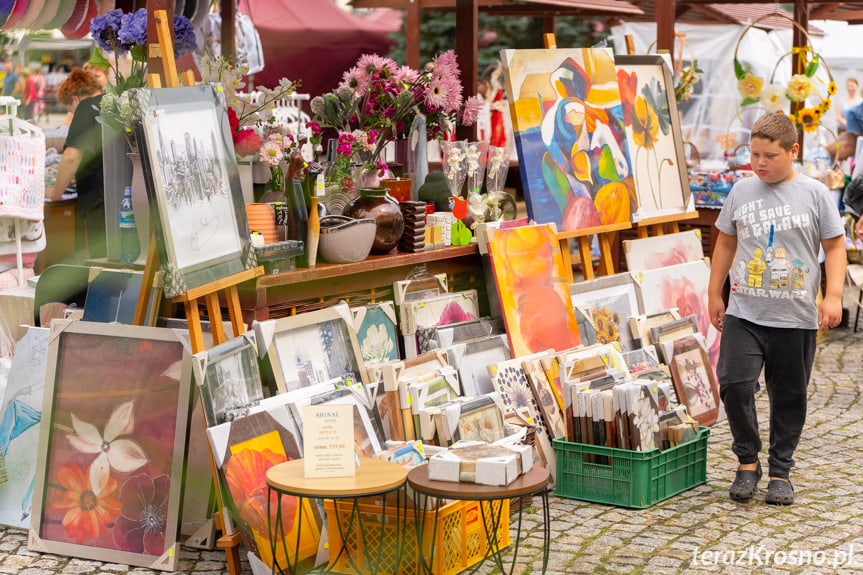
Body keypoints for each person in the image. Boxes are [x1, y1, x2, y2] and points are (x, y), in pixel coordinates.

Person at [708, 112, 845, 506]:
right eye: (754, 154)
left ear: (793, 151)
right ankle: (747, 462)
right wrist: (715, 292)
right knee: (734, 384)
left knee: (789, 395)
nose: (760, 163)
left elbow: (835, 247)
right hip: (744, 312)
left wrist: (833, 296)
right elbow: (726, 243)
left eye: (770, 155)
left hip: (795, 316)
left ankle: (781, 470)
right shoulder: (740, 190)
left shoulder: (815, 194)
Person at [48, 75, 106, 260]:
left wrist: (54, 193)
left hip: (99, 203)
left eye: (70, 110)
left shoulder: (86, 106)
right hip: (122, 201)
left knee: (102, 264)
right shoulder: (114, 102)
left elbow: (71, 157)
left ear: (74, 99)